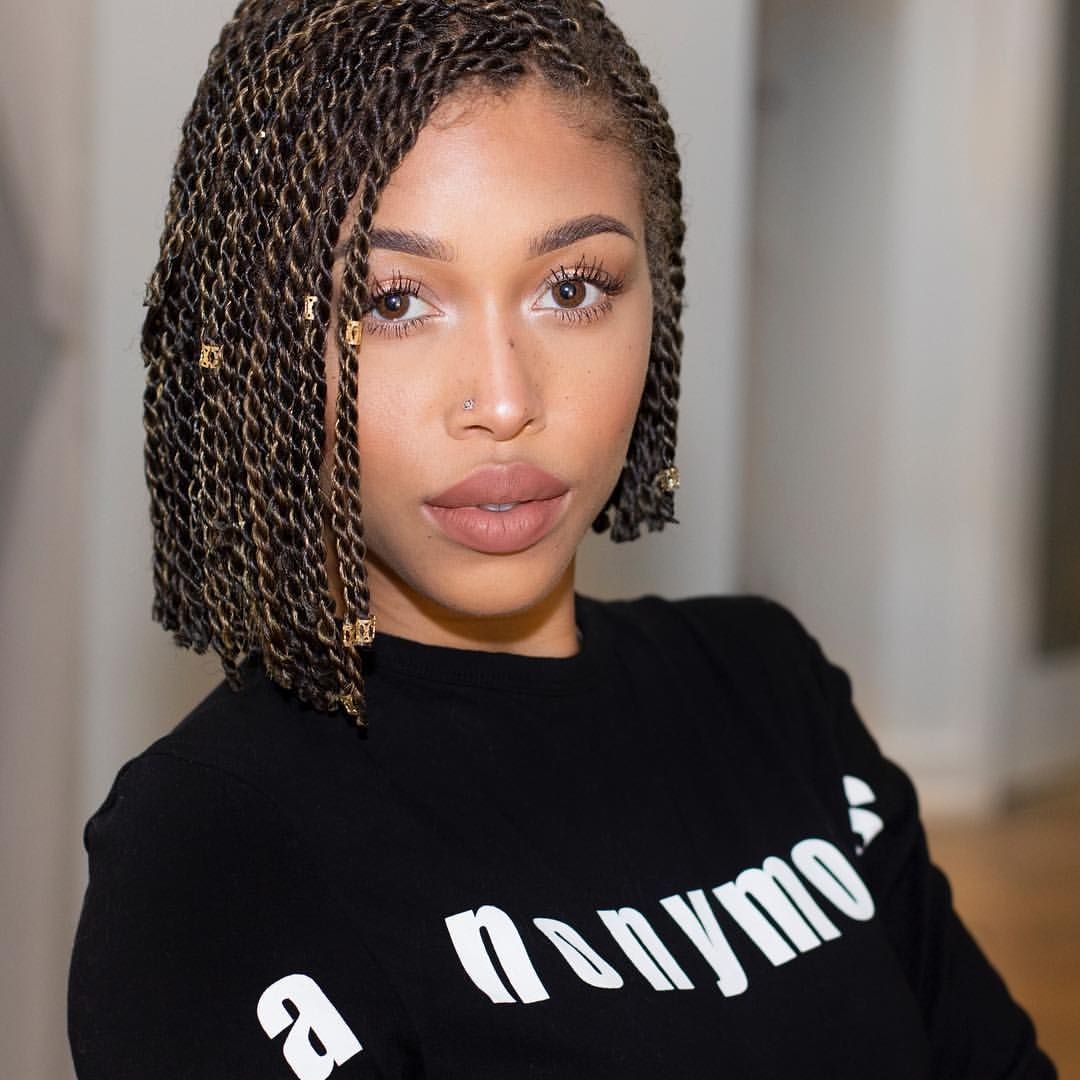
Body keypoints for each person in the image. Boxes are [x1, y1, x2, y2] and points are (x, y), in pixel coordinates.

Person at [68, 2, 1056, 1077]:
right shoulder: (216, 847)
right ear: (257, 342)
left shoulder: (771, 689)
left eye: (571, 288)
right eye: (392, 303)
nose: (504, 400)